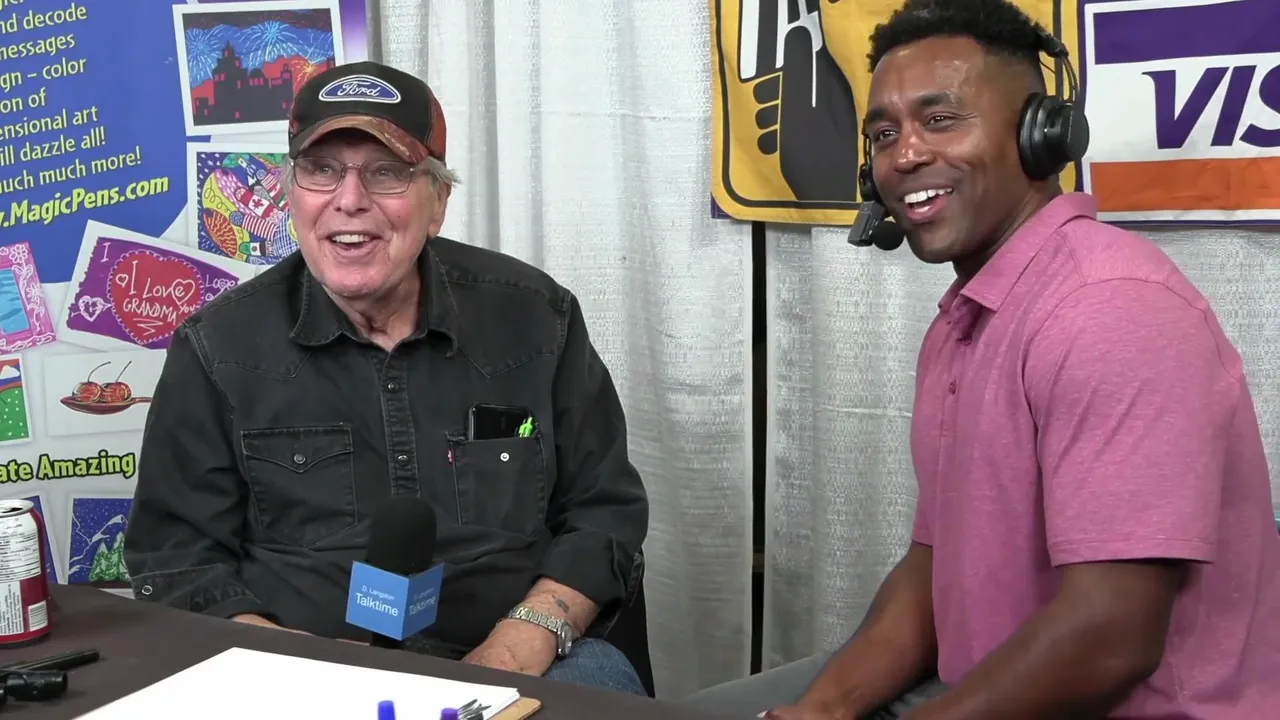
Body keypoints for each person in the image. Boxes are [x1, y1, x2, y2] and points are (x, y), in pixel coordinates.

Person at [685, 0, 1280, 717]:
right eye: (883, 134)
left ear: (1039, 136)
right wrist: (821, 712)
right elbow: (935, 565)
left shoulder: (1110, 309)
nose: (904, 155)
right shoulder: (967, 320)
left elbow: (1110, 637)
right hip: (983, 688)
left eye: (941, 120)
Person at [123, 60, 650, 696]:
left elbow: (604, 510)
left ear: (438, 203)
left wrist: (520, 644)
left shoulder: (538, 319)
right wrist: (296, 666)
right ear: (291, 195)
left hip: (521, 659)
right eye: (322, 170)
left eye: (386, 172)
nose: (349, 200)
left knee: (602, 686)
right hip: (302, 675)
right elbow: (177, 559)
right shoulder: (217, 348)